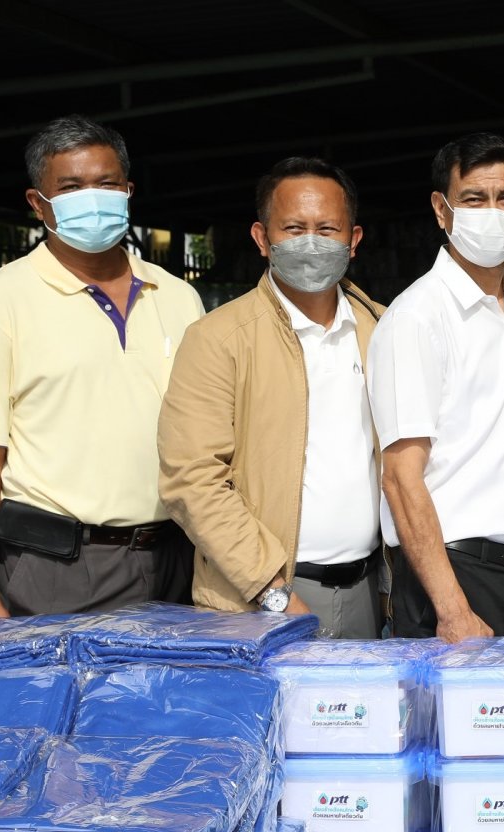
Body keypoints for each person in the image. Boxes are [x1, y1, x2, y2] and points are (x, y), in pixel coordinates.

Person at [0, 115, 204, 617]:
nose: (93, 198)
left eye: (106, 184)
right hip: (57, 569)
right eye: (71, 187)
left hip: (176, 558)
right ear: (37, 202)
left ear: (128, 191)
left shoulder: (178, 297)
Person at [160, 157, 384, 638]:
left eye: (327, 229)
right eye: (294, 229)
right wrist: (273, 591)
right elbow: (192, 479)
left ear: (353, 240)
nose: (311, 242)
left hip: (368, 591)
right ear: (262, 238)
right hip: (259, 599)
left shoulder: (383, 331)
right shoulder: (219, 339)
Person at [369, 133, 504, 642]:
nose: (492, 212)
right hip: (454, 580)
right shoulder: (416, 317)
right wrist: (452, 609)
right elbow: (400, 478)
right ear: (442, 209)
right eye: (474, 199)